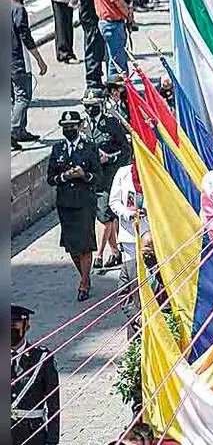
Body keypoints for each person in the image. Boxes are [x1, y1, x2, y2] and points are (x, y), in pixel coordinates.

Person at [47, 110, 103, 301]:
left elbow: (98, 176)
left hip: (84, 202)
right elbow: (50, 178)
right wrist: (65, 176)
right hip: (66, 204)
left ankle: (85, 282)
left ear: (79, 126)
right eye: (66, 127)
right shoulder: (58, 149)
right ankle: (84, 275)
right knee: (72, 246)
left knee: (85, 244)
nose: (69, 129)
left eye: (72, 126)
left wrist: (83, 175)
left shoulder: (89, 148)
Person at [82, 88, 131, 270]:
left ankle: (100, 255)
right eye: (87, 107)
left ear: (101, 105)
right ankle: (116, 251)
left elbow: (126, 150)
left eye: (93, 106)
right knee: (105, 216)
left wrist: (109, 157)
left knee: (104, 215)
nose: (90, 110)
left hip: (109, 177)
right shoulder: (82, 125)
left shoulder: (111, 124)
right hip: (90, 179)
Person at [11, 305, 60, 445]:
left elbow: (53, 405)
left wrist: (52, 441)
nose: (10, 329)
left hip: (32, 434)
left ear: (27, 326)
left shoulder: (42, 358)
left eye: (15, 324)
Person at [11, 0, 49, 150]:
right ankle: (13, 130)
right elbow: (26, 37)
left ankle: (20, 131)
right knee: (23, 96)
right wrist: (40, 60)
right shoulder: (18, 9)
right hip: (17, 60)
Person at [109, 163, 148, 334]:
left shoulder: (155, 168)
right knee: (133, 279)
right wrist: (127, 213)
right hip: (130, 236)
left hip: (152, 236)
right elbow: (114, 201)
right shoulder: (123, 173)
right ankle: (137, 321)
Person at [94, 0, 133, 83]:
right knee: (117, 60)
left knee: (113, 57)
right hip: (112, 23)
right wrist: (128, 15)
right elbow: (117, 2)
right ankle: (117, 88)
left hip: (106, 22)